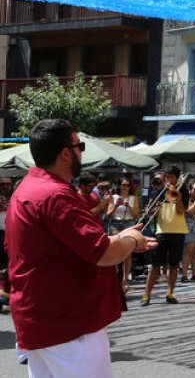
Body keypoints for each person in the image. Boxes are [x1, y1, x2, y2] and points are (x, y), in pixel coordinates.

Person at [6, 119, 156, 377]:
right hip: (67, 324)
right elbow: (104, 254)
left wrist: (122, 238)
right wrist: (131, 239)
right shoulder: (55, 195)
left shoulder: (29, 189)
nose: (82, 152)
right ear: (66, 153)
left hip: (44, 318)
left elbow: (72, 246)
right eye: (80, 146)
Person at [141, 165, 187, 306]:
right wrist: (154, 208)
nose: (169, 180)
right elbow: (149, 212)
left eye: (172, 177)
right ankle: (147, 294)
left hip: (178, 231)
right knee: (155, 265)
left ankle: (170, 293)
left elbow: (181, 211)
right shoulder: (158, 191)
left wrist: (176, 195)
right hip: (161, 231)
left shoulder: (183, 190)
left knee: (173, 265)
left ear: (177, 178)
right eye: (167, 177)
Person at [106, 178, 140, 292]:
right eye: (123, 185)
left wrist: (129, 206)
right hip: (116, 224)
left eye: (127, 185)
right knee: (115, 251)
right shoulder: (114, 197)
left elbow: (137, 215)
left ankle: (125, 280)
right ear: (119, 186)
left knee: (128, 253)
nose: (125, 187)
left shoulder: (133, 198)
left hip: (129, 223)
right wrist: (116, 205)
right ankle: (115, 278)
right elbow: (108, 215)